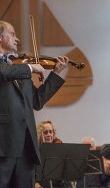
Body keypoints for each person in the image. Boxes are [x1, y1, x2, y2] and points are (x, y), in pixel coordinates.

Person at [0, 20, 68, 188]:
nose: (17, 39)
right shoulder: (18, 69)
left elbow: (37, 101)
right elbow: (4, 72)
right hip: (3, 144)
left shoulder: (18, 68)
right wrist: (31, 68)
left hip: (26, 145)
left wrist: (56, 74)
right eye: (13, 34)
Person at [35, 121, 72, 188]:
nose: (49, 134)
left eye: (51, 132)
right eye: (45, 132)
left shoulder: (59, 151)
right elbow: (35, 181)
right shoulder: (36, 153)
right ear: (40, 134)